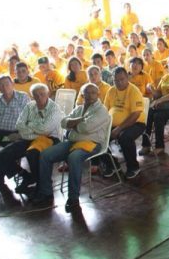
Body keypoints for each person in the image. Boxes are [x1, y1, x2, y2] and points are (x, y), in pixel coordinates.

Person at [34, 83, 112, 213]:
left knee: (74, 157)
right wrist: (80, 120)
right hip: (73, 141)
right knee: (45, 155)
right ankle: (46, 191)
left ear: (98, 95)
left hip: (92, 143)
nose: (90, 95)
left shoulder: (101, 110)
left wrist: (74, 124)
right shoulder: (79, 108)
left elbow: (85, 128)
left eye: (94, 93)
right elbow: (64, 122)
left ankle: (73, 198)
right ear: (83, 94)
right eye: (87, 92)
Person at [0, 83, 64, 196]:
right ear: (32, 96)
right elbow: (19, 124)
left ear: (48, 94)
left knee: (33, 153)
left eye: (42, 94)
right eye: (36, 95)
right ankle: (26, 176)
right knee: (1, 156)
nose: (39, 97)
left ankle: (41, 187)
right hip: (28, 138)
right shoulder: (29, 106)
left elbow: (45, 130)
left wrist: (27, 127)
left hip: (50, 139)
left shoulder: (54, 109)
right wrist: (34, 129)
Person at [101, 66, 146, 180]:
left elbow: (135, 114)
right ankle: (112, 166)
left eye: (122, 79)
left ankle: (133, 167)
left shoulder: (133, 90)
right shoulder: (111, 91)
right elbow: (105, 110)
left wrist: (119, 128)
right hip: (114, 124)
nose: (119, 82)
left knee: (124, 137)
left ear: (127, 78)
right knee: (100, 135)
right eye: (116, 80)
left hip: (136, 123)